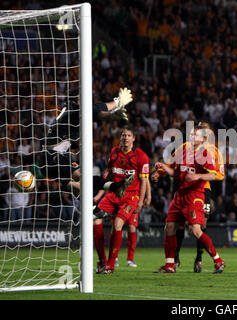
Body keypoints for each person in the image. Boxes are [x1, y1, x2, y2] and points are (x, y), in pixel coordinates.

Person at [153, 120, 225, 273]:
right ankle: (170, 264)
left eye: (196, 135)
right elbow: (176, 172)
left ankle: (217, 260)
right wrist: (162, 167)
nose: (192, 136)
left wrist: (197, 176)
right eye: (191, 133)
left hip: (195, 195)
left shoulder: (206, 153)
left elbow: (214, 174)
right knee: (170, 227)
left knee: (196, 230)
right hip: (180, 195)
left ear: (203, 139)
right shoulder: (184, 150)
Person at [40, 87, 134, 195]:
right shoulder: (73, 110)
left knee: (81, 185)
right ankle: (111, 189)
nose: (87, 102)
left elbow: (95, 112)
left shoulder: (69, 113)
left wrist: (111, 115)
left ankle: (109, 192)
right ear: (75, 101)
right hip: (53, 156)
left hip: (49, 160)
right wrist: (116, 104)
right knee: (83, 178)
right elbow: (95, 111)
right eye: (82, 100)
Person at [93, 126, 150, 274]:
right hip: (113, 194)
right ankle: (102, 260)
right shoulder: (113, 152)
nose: (125, 137)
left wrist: (140, 201)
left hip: (130, 197)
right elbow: (109, 175)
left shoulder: (141, 156)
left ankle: (111, 265)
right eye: (123, 135)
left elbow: (144, 181)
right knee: (96, 221)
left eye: (128, 135)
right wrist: (101, 194)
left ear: (133, 139)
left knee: (118, 224)